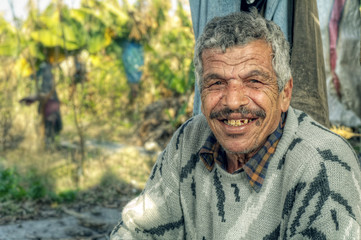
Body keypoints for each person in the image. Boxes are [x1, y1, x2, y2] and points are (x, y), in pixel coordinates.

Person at [111, 10, 361, 239]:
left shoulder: (325, 165)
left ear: (285, 93)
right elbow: (135, 232)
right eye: (217, 83)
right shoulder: (190, 139)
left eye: (253, 81)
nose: (232, 101)